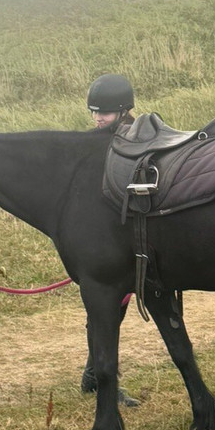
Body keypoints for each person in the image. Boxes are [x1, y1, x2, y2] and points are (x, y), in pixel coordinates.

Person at [81, 73, 141, 407]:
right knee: (105, 313)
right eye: (94, 112)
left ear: (122, 110)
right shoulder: (96, 141)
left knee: (111, 311)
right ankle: (98, 377)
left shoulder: (134, 140)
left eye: (103, 112)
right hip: (105, 240)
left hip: (127, 236)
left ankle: (93, 374)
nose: (97, 118)